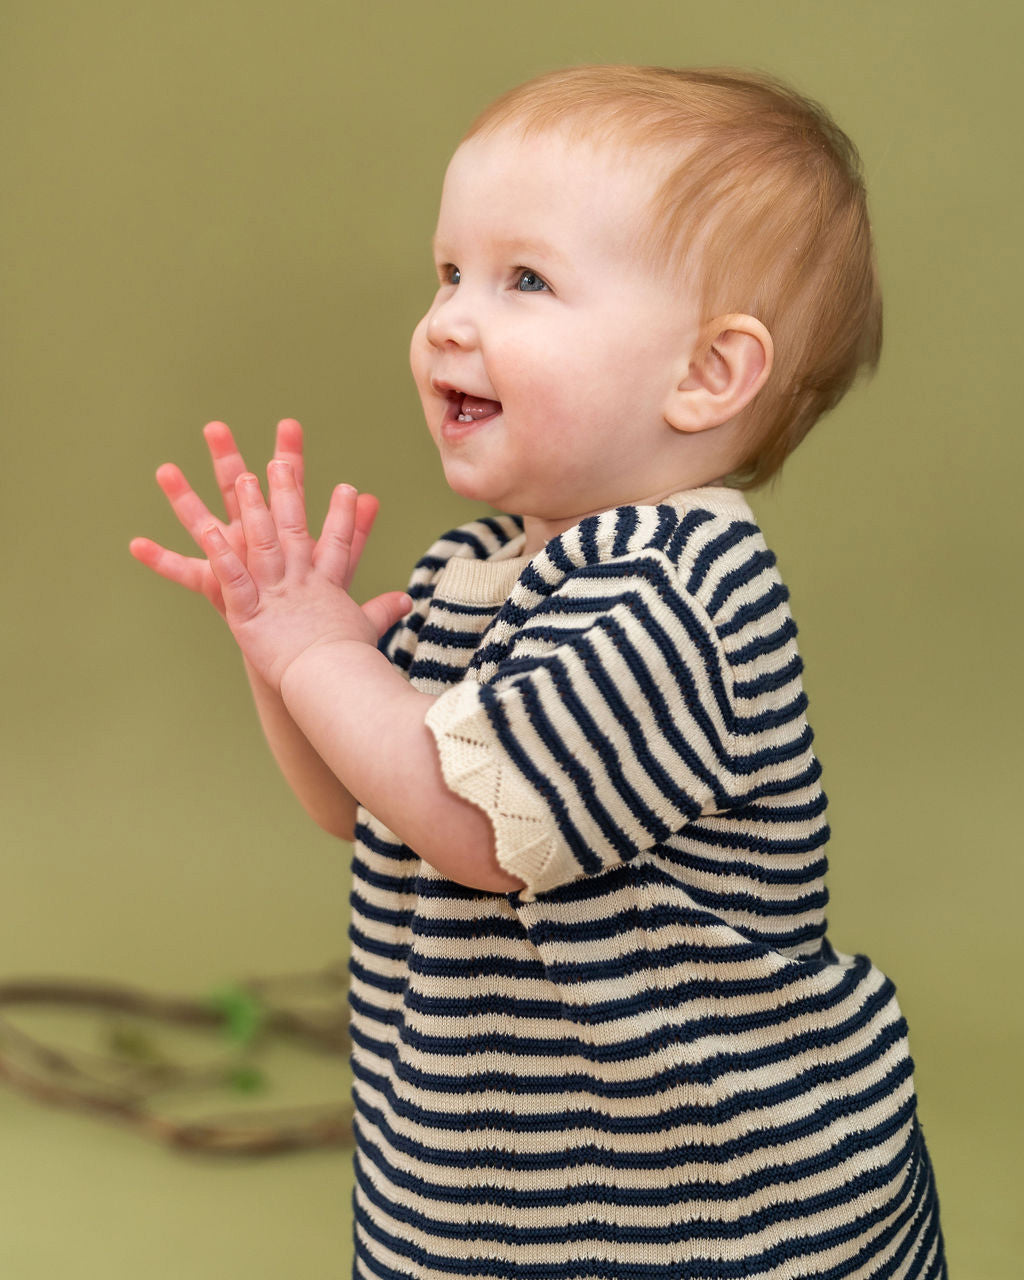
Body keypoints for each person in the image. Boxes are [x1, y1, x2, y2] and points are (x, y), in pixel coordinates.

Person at [131, 65, 946, 1279]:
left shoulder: (675, 583)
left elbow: (468, 819)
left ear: (707, 374)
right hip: (497, 1188)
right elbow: (363, 803)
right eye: (448, 272)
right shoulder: (479, 567)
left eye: (525, 280)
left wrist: (321, 646)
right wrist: (282, 647)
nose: (450, 319)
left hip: (704, 1206)